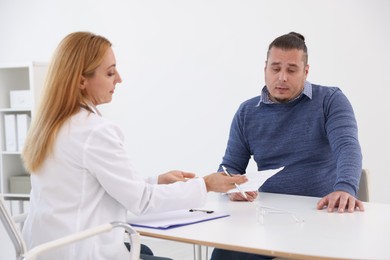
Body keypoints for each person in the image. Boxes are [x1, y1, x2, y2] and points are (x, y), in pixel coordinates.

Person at [21, 31, 247, 260]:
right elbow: (141, 201)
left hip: (46, 250)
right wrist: (205, 184)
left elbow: (92, 188)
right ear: (81, 81)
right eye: (110, 72)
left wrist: (156, 181)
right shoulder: (94, 131)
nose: (119, 78)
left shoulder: (49, 126)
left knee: (144, 251)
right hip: (81, 252)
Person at [210, 32, 365, 260]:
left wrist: (344, 188)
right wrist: (233, 187)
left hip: (320, 217)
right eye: (275, 69)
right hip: (268, 218)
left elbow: (347, 146)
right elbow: (230, 166)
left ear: (306, 71)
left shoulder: (330, 100)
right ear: (265, 69)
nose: (282, 77)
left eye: (292, 70)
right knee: (224, 254)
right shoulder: (247, 113)